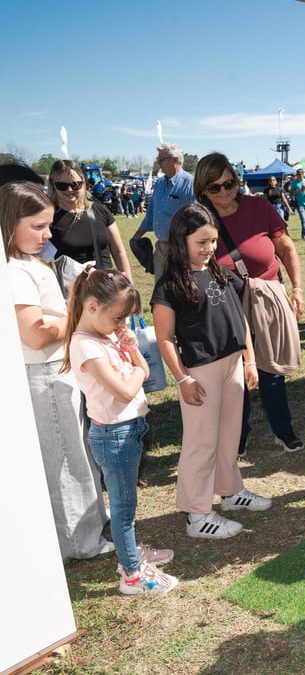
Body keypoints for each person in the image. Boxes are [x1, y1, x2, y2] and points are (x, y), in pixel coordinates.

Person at [1, 180, 111, 559]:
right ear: (10, 221)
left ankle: (91, 521)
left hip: (57, 371)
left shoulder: (31, 261)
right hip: (45, 375)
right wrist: (81, 322)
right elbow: (35, 333)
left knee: (79, 451)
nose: (47, 234)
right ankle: (78, 541)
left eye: (48, 226)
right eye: (37, 226)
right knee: (66, 457)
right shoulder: (15, 269)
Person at [151, 203, 272, 538]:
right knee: (201, 442)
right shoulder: (170, 286)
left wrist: (248, 360)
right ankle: (196, 514)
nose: (209, 249)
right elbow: (164, 338)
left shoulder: (220, 271)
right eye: (201, 242)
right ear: (181, 241)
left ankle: (231, 492)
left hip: (232, 363)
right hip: (199, 372)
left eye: (213, 241)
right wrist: (183, 378)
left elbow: (240, 318)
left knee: (229, 435)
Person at [63, 268, 178, 594]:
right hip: (115, 435)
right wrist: (139, 367)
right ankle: (132, 575)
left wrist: (129, 348)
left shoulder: (104, 335)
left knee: (126, 503)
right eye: (118, 319)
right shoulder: (86, 346)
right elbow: (125, 390)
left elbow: (138, 371)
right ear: (93, 306)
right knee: (123, 510)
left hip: (127, 430)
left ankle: (131, 554)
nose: (122, 326)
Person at [193, 153, 305, 455]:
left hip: (268, 300)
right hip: (225, 308)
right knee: (234, 373)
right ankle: (237, 435)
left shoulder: (258, 206)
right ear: (203, 189)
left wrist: (297, 288)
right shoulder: (198, 219)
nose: (224, 192)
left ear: (237, 179)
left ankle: (283, 430)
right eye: (214, 187)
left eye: (228, 183)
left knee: (270, 370)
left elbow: (286, 247)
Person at [47, 160, 133, 279]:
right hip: (72, 291)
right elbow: (43, 261)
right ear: (53, 185)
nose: (69, 190)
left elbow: (119, 252)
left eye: (75, 184)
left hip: (107, 286)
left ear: (83, 183)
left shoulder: (100, 211)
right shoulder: (48, 218)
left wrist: (129, 284)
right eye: (62, 185)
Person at [132, 144, 194, 279]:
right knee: (160, 294)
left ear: (176, 160)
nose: (158, 162)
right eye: (158, 159)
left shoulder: (190, 184)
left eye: (161, 159)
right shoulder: (159, 183)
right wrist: (136, 237)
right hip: (161, 249)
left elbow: (198, 221)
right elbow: (151, 215)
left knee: (182, 293)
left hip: (183, 250)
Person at [289, 169, 305, 240]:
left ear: (303, 174)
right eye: (298, 173)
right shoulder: (294, 183)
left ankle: (303, 236)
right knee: (303, 220)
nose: (299, 174)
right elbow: (291, 193)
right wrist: (300, 190)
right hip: (299, 204)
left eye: (301, 173)